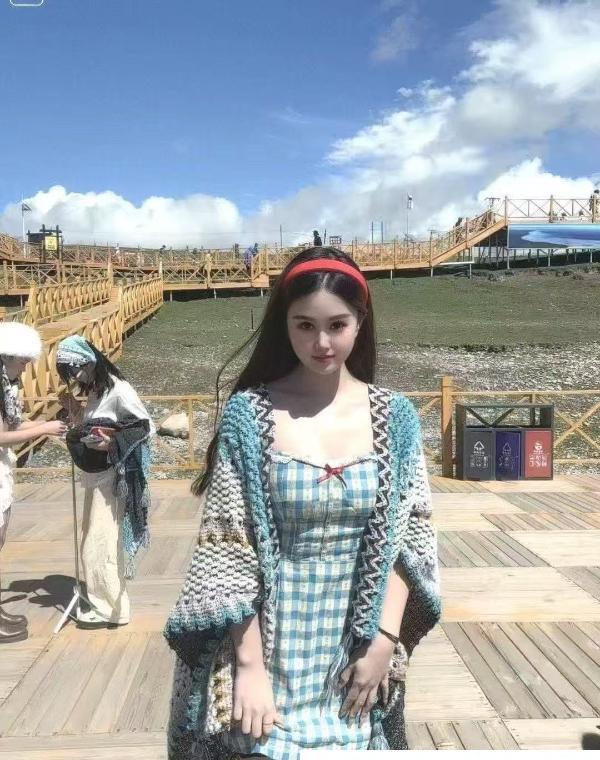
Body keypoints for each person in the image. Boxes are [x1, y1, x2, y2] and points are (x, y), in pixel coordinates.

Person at [164, 247, 441, 758]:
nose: (321, 343)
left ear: (360, 321)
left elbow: (412, 541)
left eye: (337, 325)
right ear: (284, 325)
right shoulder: (249, 415)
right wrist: (249, 667)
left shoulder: (396, 418)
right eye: (304, 326)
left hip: (356, 646)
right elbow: (228, 551)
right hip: (268, 644)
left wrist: (384, 641)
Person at [56, 336, 154, 629]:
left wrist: (111, 443)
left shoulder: (118, 389)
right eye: (69, 373)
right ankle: (104, 601)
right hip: (95, 475)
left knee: (100, 541)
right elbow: (91, 424)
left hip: (112, 477)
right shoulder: (97, 392)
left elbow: (144, 428)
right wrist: (73, 409)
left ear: (90, 362)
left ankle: (110, 609)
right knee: (93, 537)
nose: (74, 377)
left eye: (75, 369)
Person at [0, 323, 67, 643]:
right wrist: (44, 429)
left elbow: (13, 425)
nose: (27, 367)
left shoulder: (6, 385)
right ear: (7, 357)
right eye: (23, 361)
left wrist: (42, 423)